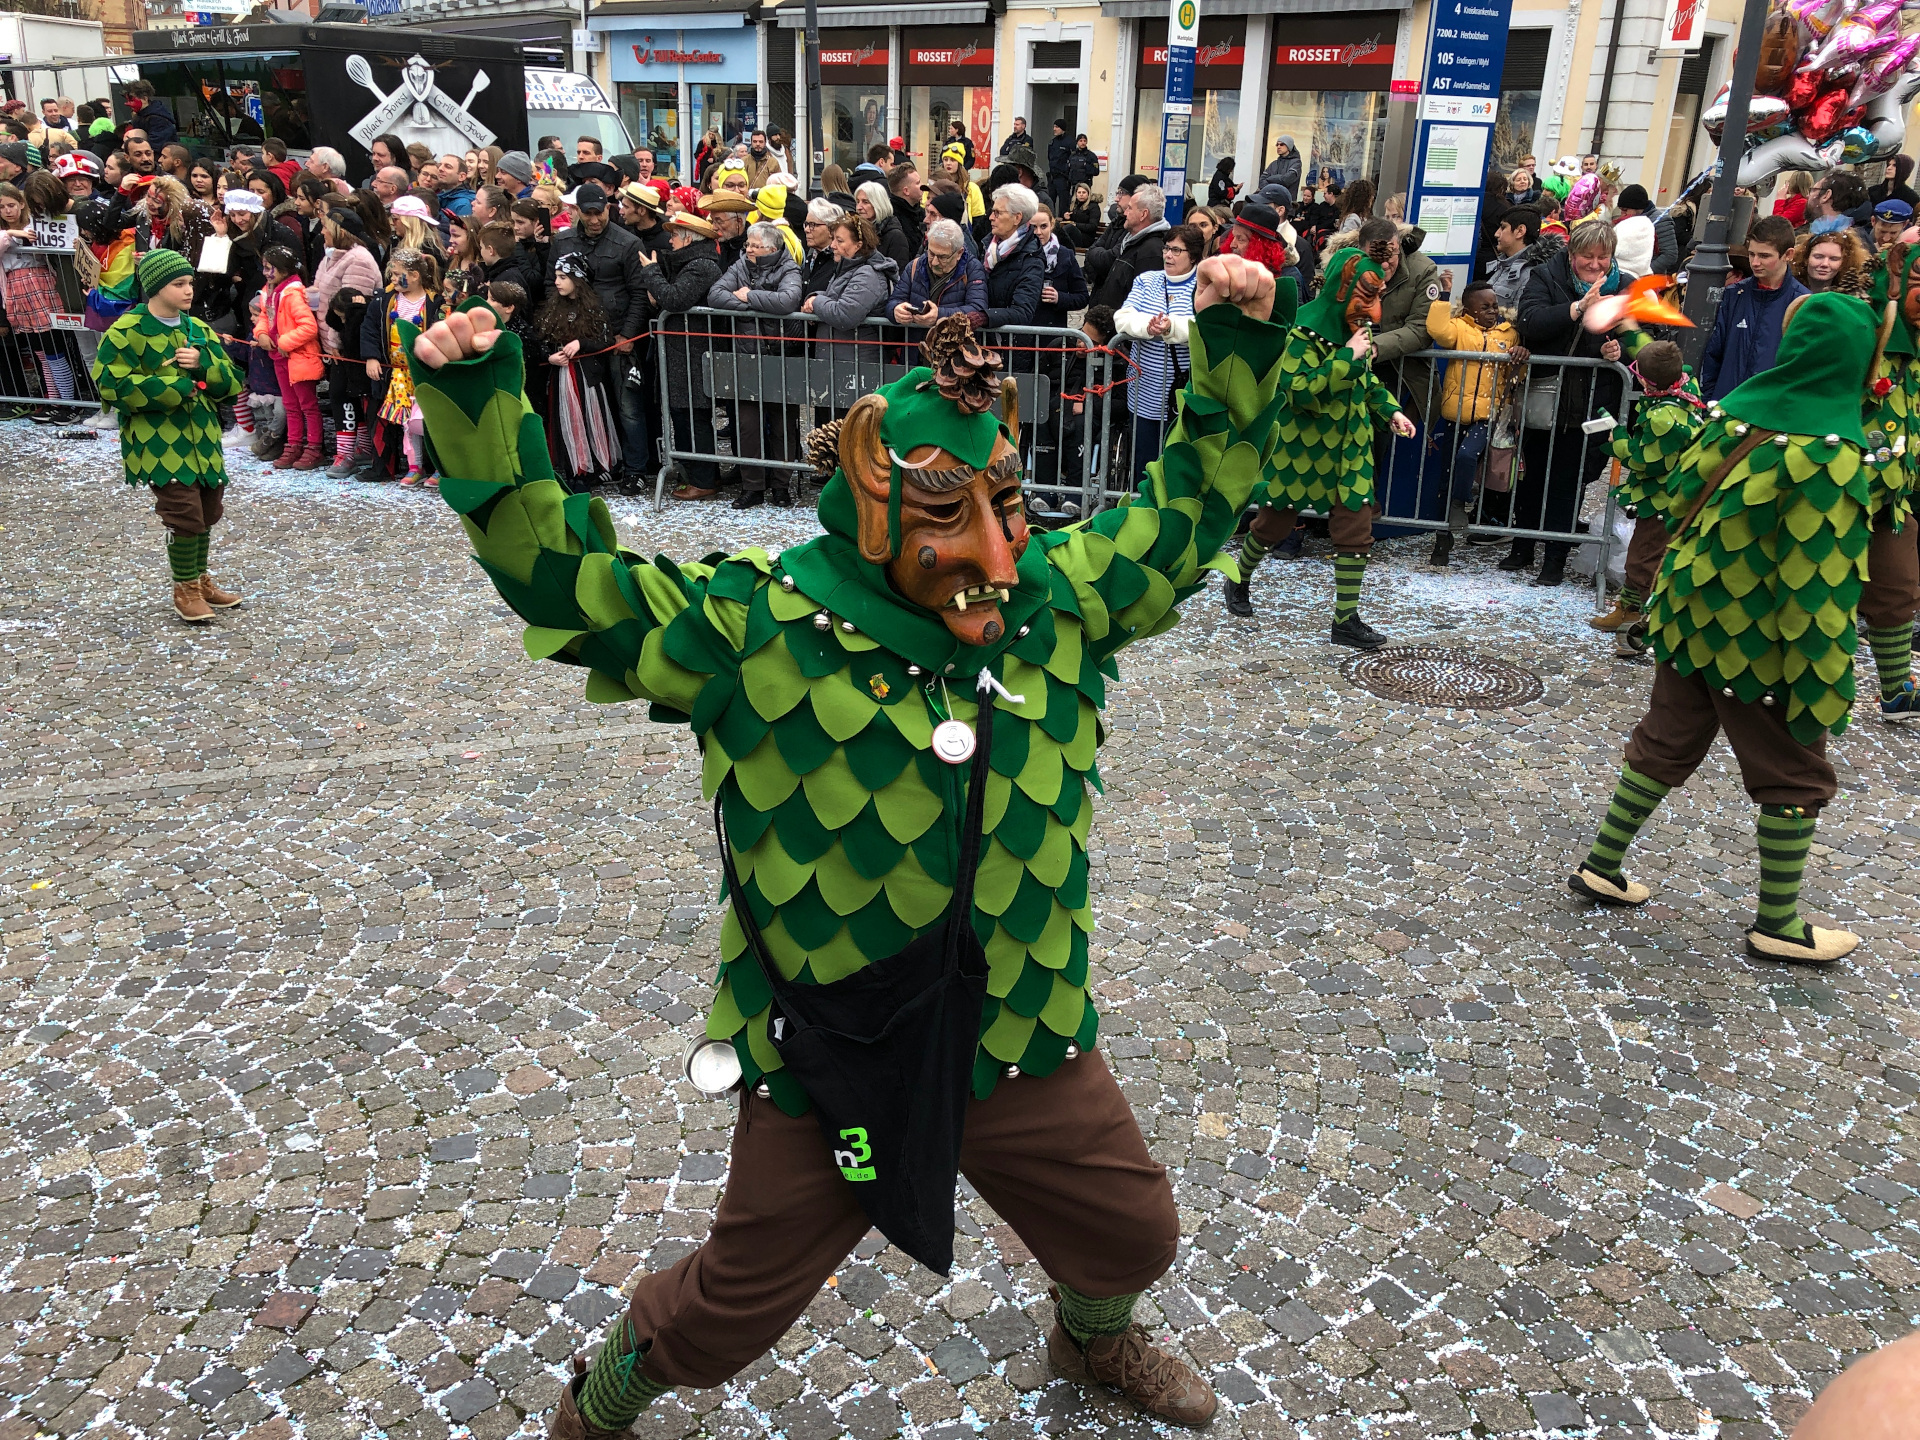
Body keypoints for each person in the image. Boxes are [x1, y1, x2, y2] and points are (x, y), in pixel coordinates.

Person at [406, 260, 1306, 1440]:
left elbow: (1183, 517)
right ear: (875, 511)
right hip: (836, 1052)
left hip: (1017, 1021)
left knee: (1133, 1233)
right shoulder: (755, 627)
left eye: (1007, 504)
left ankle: (1094, 1339)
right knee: (729, 1308)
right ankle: (603, 1401)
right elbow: (569, 589)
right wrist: (479, 400)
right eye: (946, 516)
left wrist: (1233, 353)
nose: (999, 554)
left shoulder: (1062, 601)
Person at [1568, 291, 1879, 965]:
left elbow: (1681, 495)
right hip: (1759, 641)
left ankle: (1602, 864)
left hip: (1689, 615)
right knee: (1795, 773)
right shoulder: (1832, 453)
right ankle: (1779, 924)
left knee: (1666, 740)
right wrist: (1823, 680)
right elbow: (1816, 586)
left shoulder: (1733, 413)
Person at [1224, 248, 1414, 642]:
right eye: (1367, 295)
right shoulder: (1301, 333)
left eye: (1379, 296)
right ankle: (1238, 577)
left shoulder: (1357, 332)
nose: (1375, 309)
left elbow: (1365, 382)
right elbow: (1299, 390)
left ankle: (1345, 620)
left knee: (1356, 530)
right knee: (1273, 525)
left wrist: (1391, 411)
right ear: (1342, 290)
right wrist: (1347, 355)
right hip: (1301, 449)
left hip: (1351, 448)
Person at [92, 250, 245, 621]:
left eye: (190, 282)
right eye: (179, 284)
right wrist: (174, 387)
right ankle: (185, 588)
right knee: (182, 511)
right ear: (156, 287)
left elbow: (231, 384)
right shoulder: (126, 331)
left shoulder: (198, 329)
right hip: (158, 439)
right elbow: (110, 385)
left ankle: (201, 579)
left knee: (208, 508)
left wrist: (203, 365)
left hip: (203, 436)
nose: (189, 290)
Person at [1508, 218, 1635, 586]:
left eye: (1602, 257)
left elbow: (1641, 338)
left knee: (1569, 482)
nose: (1595, 264)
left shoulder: (1625, 286)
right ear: (1571, 254)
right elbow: (1531, 322)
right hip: (1547, 395)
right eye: (1586, 257)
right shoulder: (1546, 276)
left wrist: (1617, 351)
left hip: (1593, 400)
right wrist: (1578, 307)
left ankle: (1554, 559)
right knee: (1532, 478)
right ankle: (1521, 546)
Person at [1422, 279, 1529, 565]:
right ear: (1469, 310)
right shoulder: (1459, 328)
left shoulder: (1509, 334)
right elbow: (1437, 331)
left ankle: (1461, 502)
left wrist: (1520, 361)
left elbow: (1516, 377)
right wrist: (1444, 296)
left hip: (1487, 415)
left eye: (1495, 306)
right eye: (1485, 307)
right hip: (1455, 413)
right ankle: (1442, 540)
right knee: (1446, 477)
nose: (1493, 311)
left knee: (1467, 456)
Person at [551, 180, 648, 488]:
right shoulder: (563, 241)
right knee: (587, 406)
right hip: (577, 338)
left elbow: (639, 293)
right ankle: (596, 465)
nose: (594, 219)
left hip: (617, 335)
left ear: (608, 208)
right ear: (577, 211)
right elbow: (550, 286)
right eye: (588, 213)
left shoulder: (628, 242)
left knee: (627, 406)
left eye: (599, 213)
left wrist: (628, 334)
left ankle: (635, 469)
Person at [1859, 242, 1920, 720]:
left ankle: (1897, 689)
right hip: (1837, 489)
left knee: (1898, 585)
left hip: (1893, 498)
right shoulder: (1868, 338)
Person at [705, 219, 801, 508]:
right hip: (746, 359)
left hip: (780, 357)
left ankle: (781, 486)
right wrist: (754, 305)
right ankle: (752, 487)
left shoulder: (789, 268)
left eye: (755, 246)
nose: (749, 249)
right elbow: (715, 295)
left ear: (772, 249)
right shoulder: (740, 266)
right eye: (748, 244)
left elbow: (788, 301)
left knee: (782, 425)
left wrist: (750, 296)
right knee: (747, 425)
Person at [638, 210, 725, 498]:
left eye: (675, 235)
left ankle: (704, 479)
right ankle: (697, 474)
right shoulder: (690, 263)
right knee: (683, 414)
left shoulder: (700, 266)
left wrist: (652, 272)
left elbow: (674, 299)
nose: (670, 240)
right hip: (683, 352)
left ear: (688, 239)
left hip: (692, 353)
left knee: (692, 416)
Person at [1114, 220, 1203, 487]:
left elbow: (1205, 325)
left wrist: (1171, 326)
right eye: (1167, 248)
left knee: (1176, 462)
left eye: (1177, 250)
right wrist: (1148, 327)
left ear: (1193, 256)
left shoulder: (1203, 284)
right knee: (1143, 462)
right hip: (1144, 390)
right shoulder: (1147, 280)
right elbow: (1122, 318)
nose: (1168, 255)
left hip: (1183, 390)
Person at [533, 250, 623, 494]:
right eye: (556, 276)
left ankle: (591, 469)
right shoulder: (553, 308)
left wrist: (581, 343)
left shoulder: (594, 308)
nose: (557, 282)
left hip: (586, 377)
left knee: (589, 419)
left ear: (577, 278)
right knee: (566, 421)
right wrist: (549, 356)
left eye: (563, 277)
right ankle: (573, 469)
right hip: (560, 375)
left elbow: (605, 340)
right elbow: (540, 340)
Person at [1699, 215, 1807, 402]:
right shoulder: (1734, 294)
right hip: (1726, 405)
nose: (1755, 262)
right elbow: (1713, 354)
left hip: (1769, 409)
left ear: (1788, 255)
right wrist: (1711, 400)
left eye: (1764, 256)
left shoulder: (1802, 304)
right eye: (1751, 254)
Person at [363, 247, 442, 483]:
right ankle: (413, 466)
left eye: (398, 274)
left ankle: (438, 467)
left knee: (430, 421)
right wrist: (372, 357)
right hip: (396, 376)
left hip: (425, 374)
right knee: (407, 423)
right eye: (392, 273)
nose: (393, 278)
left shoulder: (434, 303)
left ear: (415, 275)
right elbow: (369, 329)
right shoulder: (384, 301)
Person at [0, 181, 80, 411]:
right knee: (39, 351)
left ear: (21, 203)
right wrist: (10, 233)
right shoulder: (5, 232)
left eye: (11, 205)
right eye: (2, 207)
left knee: (53, 347)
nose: (7, 211)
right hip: (16, 290)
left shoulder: (37, 224)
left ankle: (68, 402)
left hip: (41, 285)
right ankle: (53, 400)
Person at [888, 218, 986, 329]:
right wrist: (896, 310)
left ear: (959, 253)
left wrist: (939, 315)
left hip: (953, 339)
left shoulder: (972, 269)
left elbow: (978, 309)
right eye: (931, 253)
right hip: (917, 339)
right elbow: (894, 300)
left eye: (942, 257)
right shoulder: (914, 266)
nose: (934, 262)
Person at [1090, 182, 1169, 310]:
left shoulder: (1151, 251)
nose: (1125, 213)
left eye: (1130, 208)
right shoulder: (1132, 241)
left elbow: (1145, 304)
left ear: (1143, 214)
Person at [981, 184, 1045, 330]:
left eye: (997, 213)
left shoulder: (1032, 259)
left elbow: (1023, 312)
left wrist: (984, 317)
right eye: (992, 212)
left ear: (1017, 218)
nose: (991, 217)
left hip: (1008, 340)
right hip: (984, 337)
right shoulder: (986, 246)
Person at [1032, 204, 1088, 329]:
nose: (1038, 232)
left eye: (1043, 226)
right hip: (1023, 330)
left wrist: (1059, 298)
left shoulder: (1065, 255)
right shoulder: (1019, 254)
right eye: (1033, 227)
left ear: (1051, 225)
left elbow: (1082, 297)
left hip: (1052, 329)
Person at [1486, 207, 1542, 310]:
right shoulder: (1504, 264)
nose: (1496, 234)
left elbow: (1521, 317)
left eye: (1503, 227)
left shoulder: (1531, 274)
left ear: (1520, 231)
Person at [1790, 228, 1868, 294]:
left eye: (1834, 259)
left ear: (1844, 262)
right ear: (1806, 258)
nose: (1825, 264)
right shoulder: (1788, 288)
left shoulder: (1852, 296)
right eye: (1818, 257)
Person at [121, 80, 176, 149]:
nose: (128, 103)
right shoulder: (140, 116)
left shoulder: (158, 118)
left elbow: (156, 145)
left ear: (144, 98)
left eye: (131, 100)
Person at [1046, 120, 1072, 213]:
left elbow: (1072, 159)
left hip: (1063, 177)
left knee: (1063, 202)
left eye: (1057, 127)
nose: (1054, 129)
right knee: (1050, 201)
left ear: (1062, 128)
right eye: (1054, 127)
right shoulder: (1052, 142)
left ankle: (1062, 219)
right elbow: (1049, 157)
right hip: (1052, 176)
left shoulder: (1069, 142)